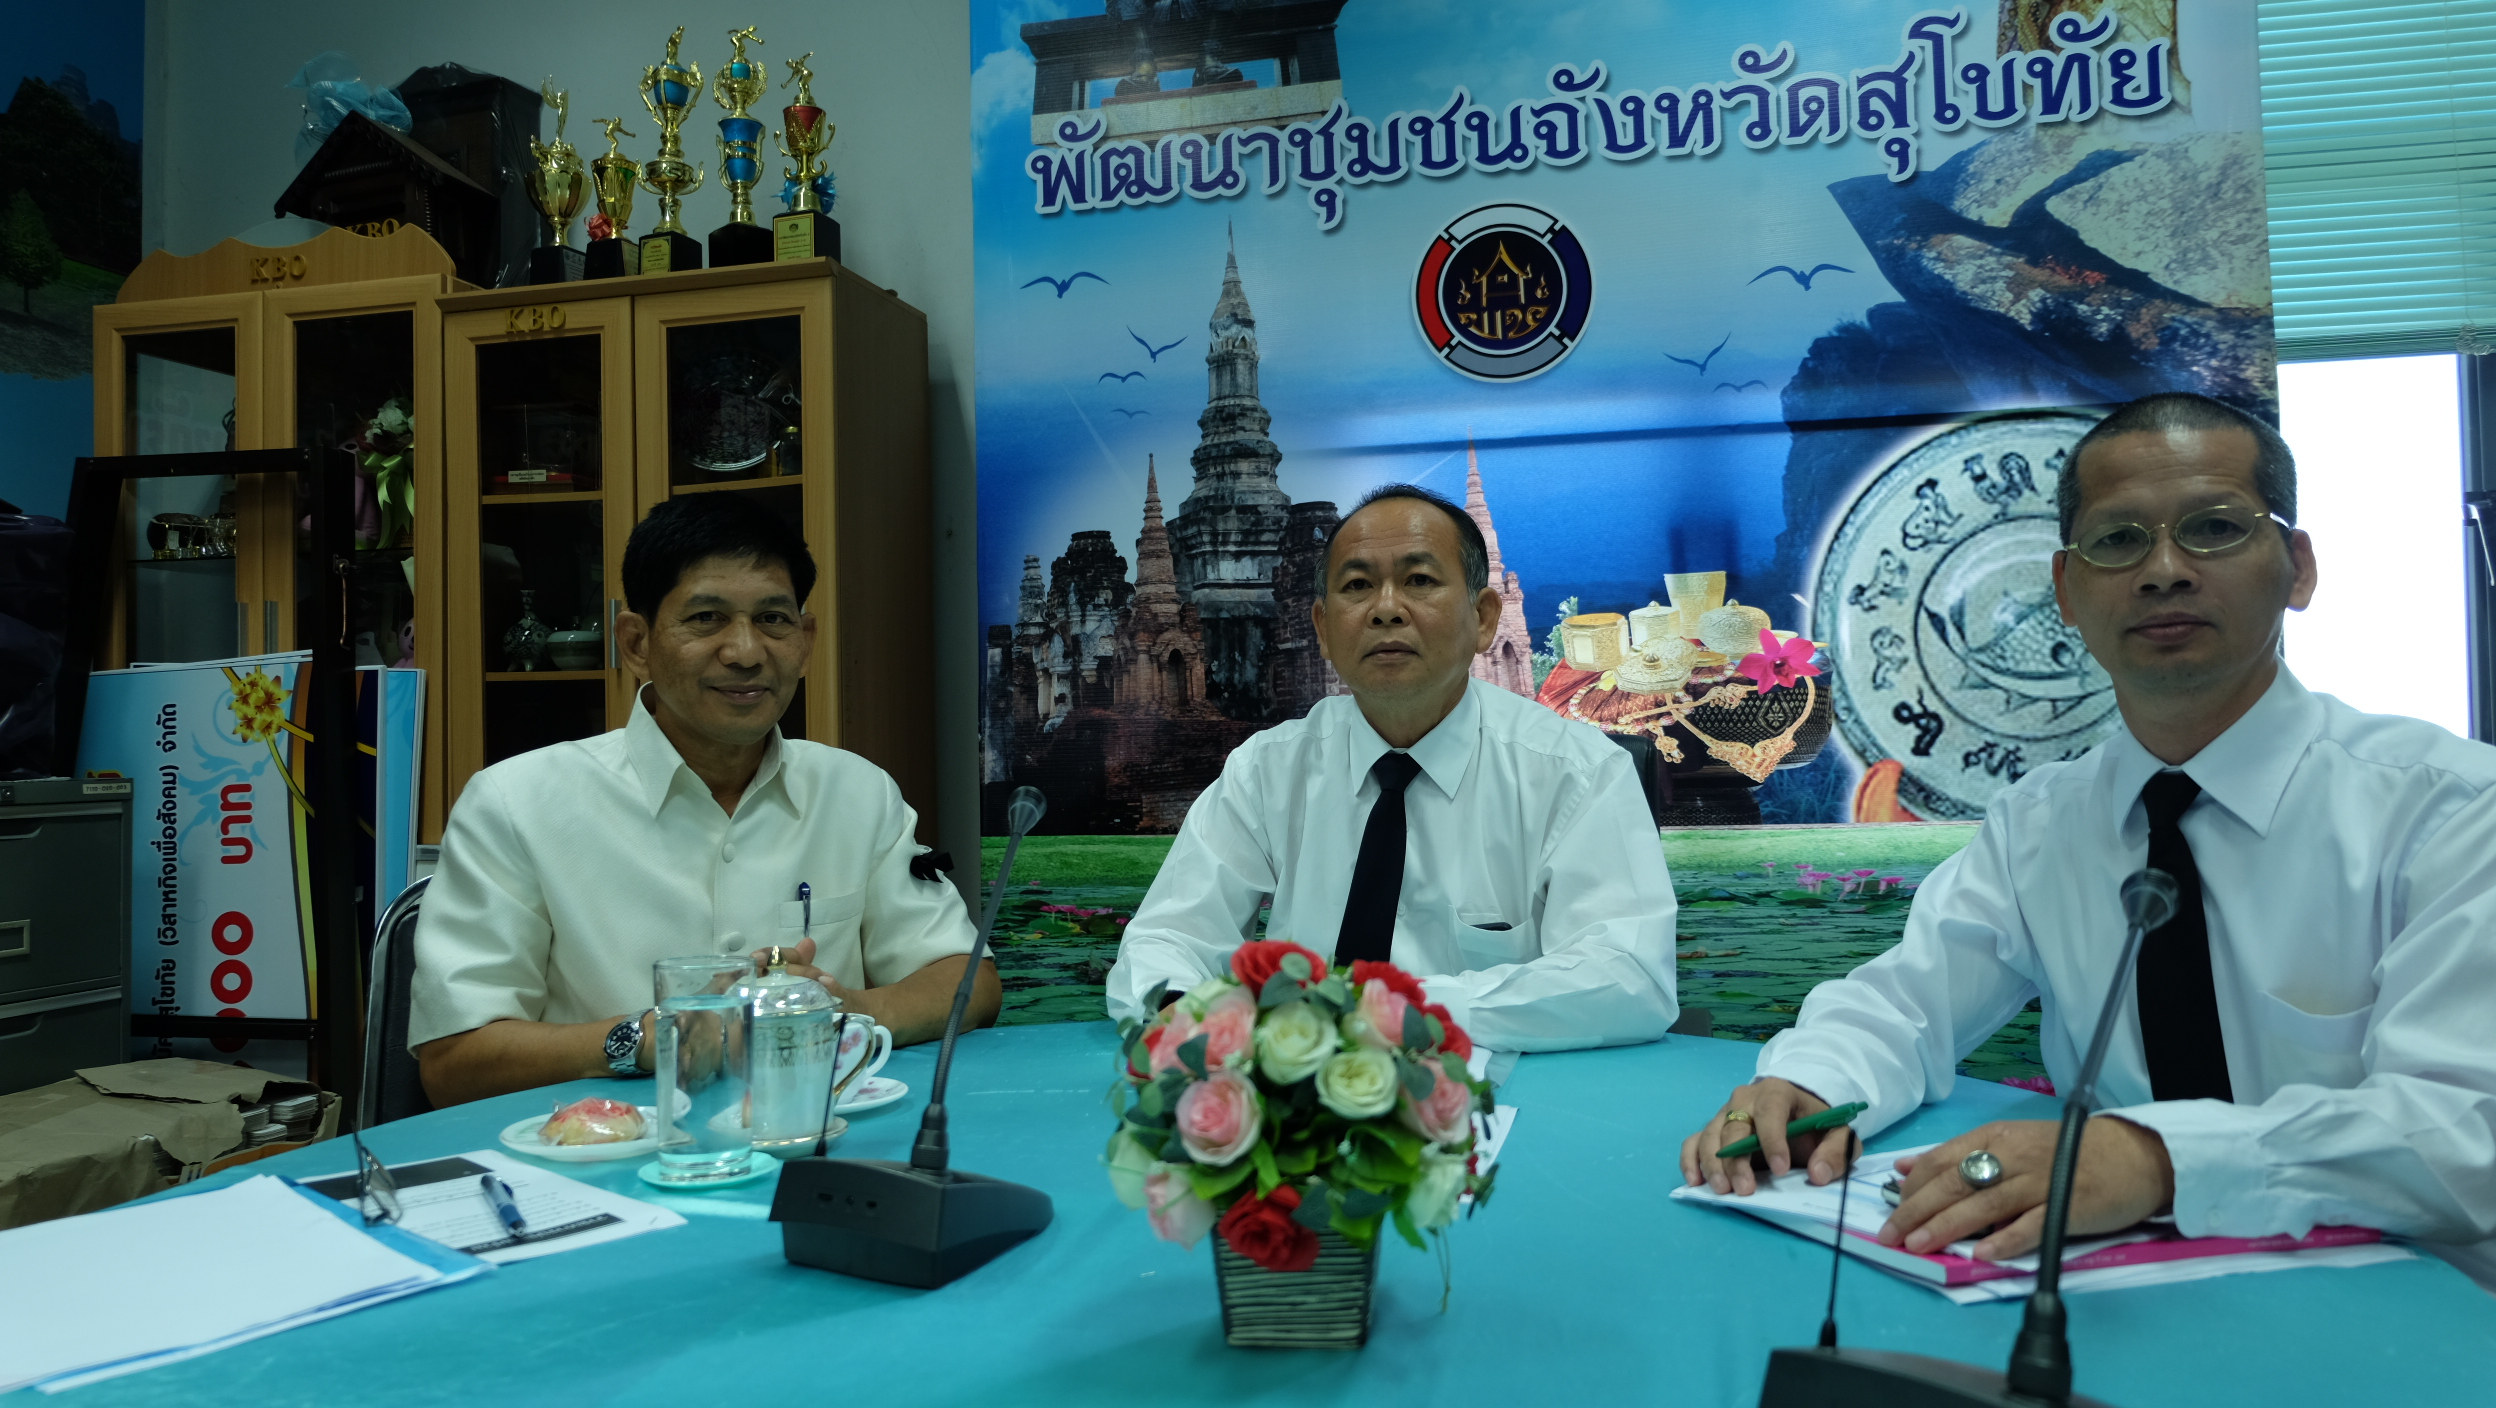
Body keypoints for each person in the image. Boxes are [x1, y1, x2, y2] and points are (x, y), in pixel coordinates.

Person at [1679, 392, 2496, 1288]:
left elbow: (2464, 1132)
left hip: (2412, 1302)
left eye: (2214, 528)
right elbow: (1907, 1002)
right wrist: (1811, 1082)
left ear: (2297, 569)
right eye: (2117, 540)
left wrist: (2154, 1159)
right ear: (2066, 592)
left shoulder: (2455, 813)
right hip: (2116, 1294)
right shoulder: (2041, 823)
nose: (2164, 571)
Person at [410, 494, 997, 1107]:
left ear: (805, 640)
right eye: (707, 618)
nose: (745, 652)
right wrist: (656, 1038)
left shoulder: (857, 791)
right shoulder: (515, 804)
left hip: (818, 1141)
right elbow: (454, 1061)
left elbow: (969, 980)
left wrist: (845, 1009)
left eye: (773, 619)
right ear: (636, 643)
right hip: (605, 1149)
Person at [1104, 484, 1679, 1051]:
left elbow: (1628, 977)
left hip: (1507, 1093)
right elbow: (1167, 937)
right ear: (1323, 629)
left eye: (1419, 580)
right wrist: (1184, 1010)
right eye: (1357, 586)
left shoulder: (1578, 773)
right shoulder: (1268, 770)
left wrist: (1386, 1013)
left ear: (1484, 619)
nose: (1385, 609)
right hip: (1295, 1089)